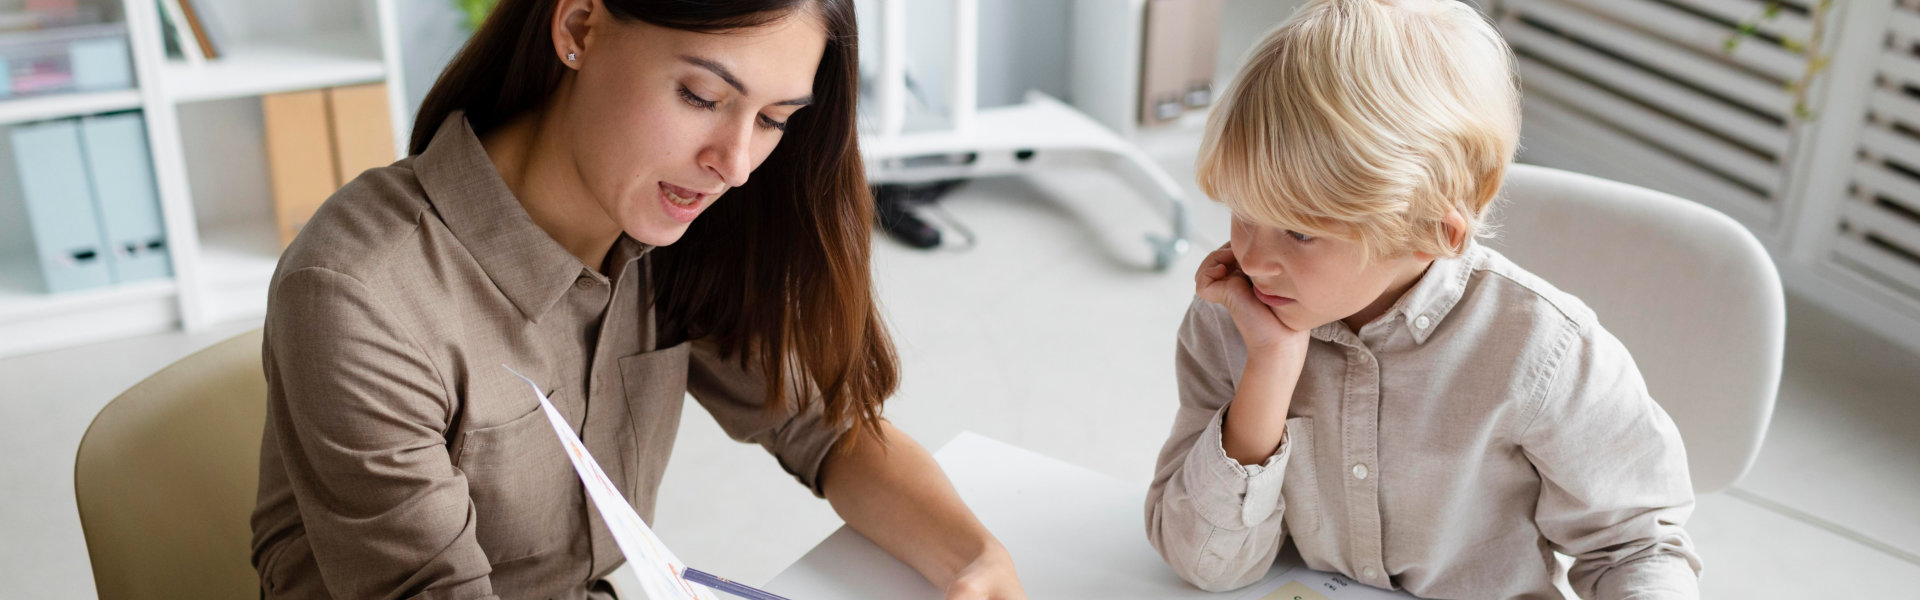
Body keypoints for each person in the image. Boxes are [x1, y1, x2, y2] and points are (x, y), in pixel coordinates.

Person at [249, 1, 1024, 598]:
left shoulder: (668, 224)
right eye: (700, 95)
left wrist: (977, 561)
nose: (736, 164)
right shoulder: (362, 298)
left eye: (774, 121)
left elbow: (830, 432)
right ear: (581, 25)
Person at [1145, 0, 1701, 597]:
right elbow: (1201, 562)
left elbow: (1636, 546)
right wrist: (1271, 368)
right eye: (1243, 215)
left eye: (1300, 232)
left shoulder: (1546, 351)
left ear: (1435, 234)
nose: (1251, 260)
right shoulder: (1233, 318)